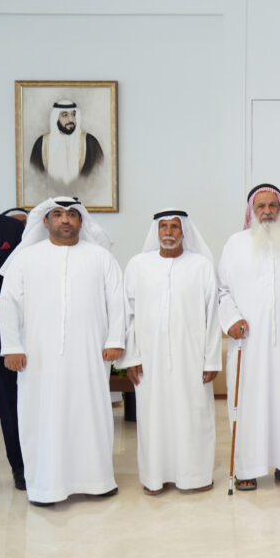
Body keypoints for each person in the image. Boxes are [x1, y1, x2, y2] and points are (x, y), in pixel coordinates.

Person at [0, 197, 124, 505]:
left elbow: (117, 301)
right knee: (42, 416)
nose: (65, 220)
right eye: (57, 214)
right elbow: (9, 304)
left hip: (90, 352)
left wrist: (114, 340)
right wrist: (12, 347)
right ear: (45, 221)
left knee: (90, 414)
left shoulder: (101, 257)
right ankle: (45, 486)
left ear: (81, 221)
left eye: (71, 215)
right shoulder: (25, 259)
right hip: (38, 355)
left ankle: (97, 481)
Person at [217, 183, 280, 491]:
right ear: (251, 210)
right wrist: (231, 319)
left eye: (273, 206)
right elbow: (222, 291)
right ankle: (246, 468)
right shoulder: (235, 245)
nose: (267, 212)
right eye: (260, 206)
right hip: (248, 346)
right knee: (249, 405)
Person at [117, 208, 222, 495]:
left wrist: (211, 359)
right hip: (149, 360)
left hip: (192, 358)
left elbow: (212, 316)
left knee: (194, 415)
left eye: (174, 226)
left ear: (184, 231)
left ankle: (196, 476)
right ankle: (155, 477)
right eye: (163, 226)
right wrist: (132, 357)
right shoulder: (138, 265)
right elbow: (128, 314)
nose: (168, 232)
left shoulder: (201, 266)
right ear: (156, 231)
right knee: (153, 418)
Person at [0, 210, 26, 489]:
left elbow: (27, 280)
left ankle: (21, 468)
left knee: (10, 409)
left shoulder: (10, 230)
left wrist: (0, 302)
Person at [29, 101, 106, 185]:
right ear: (55, 118)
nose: (71, 119)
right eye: (65, 115)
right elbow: (34, 179)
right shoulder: (41, 144)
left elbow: (101, 177)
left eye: (73, 114)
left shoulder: (90, 143)